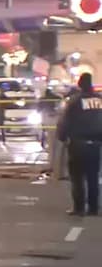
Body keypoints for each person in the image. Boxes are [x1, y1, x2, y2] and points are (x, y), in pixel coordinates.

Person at [56, 73, 102, 216]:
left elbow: (65, 122)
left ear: (80, 85)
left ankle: (79, 207)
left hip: (78, 144)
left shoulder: (75, 102)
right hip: (95, 144)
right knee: (93, 177)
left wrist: (62, 137)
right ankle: (93, 208)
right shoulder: (100, 100)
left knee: (77, 177)